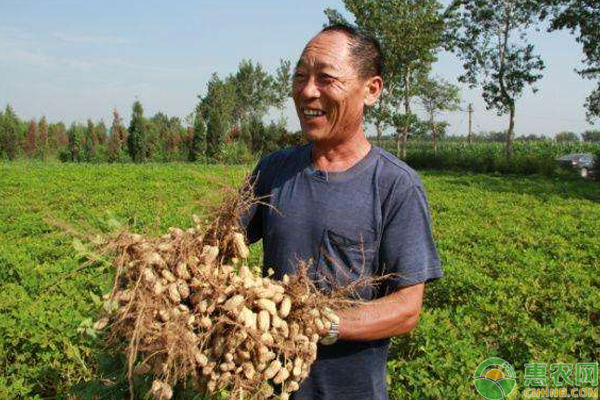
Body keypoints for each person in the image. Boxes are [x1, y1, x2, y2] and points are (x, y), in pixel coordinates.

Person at [241, 24, 443, 400]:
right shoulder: (273, 171)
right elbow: (219, 246)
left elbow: (406, 308)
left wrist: (317, 322)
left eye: (325, 78)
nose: (306, 91)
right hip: (272, 388)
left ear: (371, 90)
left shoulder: (395, 185)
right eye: (300, 76)